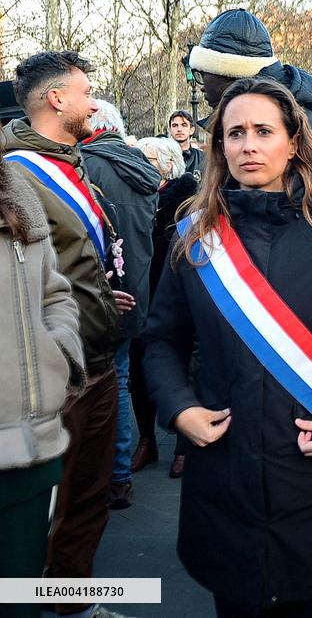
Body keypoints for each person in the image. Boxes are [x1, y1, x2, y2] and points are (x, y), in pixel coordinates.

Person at [142, 77, 312, 618]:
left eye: (263, 131)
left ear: (293, 142)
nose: (248, 145)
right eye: (235, 133)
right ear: (219, 146)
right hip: (224, 481)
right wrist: (179, 408)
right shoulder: (194, 237)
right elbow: (161, 340)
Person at [3, 51, 135, 618]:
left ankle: (72, 604)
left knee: (86, 498)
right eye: (85, 92)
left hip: (97, 360)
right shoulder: (15, 174)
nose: (93, 103)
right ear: (56, 99)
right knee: (40, 511)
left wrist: (102, 295)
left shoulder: (70, 164)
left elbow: (65, 262)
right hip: (55, 375)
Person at [0, 155, 84, 618]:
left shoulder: (15, 190)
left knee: (18, 604)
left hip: (31, 453)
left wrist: (60, 352)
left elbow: (54, 292)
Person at [82, 101, 161, 510]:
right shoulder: (141, 167)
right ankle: (119, 479)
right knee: (122, 379)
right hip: (136, 290)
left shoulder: (85, 166)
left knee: (91, 390)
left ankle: (96, 481)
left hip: (97, 294)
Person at [128, 136, 200, 479]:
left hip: (175, 292)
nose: (142, 164)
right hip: (141, 292)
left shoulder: (187, 200)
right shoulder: (137, 195)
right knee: (139, 367)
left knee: (185, 366)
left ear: (170, 164)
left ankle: (184, 446)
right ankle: (147, 439)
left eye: (150, 159)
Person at [189, 8, 312, 153]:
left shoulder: (296, 122)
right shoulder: (284, 114)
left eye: (202, 74)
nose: (201, 87)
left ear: (227, 73)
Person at [168, 109, 205, 179]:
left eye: (184, 125)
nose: (179, 129)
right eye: (175, 125)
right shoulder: (163, 157)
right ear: (170, 130)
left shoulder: (203, 158)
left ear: (191, 130)